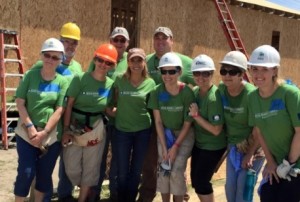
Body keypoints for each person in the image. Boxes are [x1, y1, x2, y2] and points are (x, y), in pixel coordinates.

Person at [139, 26, 194, 202]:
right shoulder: (145, 61)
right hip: (156, 121)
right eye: (157, 38)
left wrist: (198, 108)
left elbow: (201, 81)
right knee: (159, 165)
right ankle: (150, 195)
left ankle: (180, 194)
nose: (168, 74)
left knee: (177, 167)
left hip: (181, 124)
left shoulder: (185, 62)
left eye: (165, 38)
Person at [30, 22, 82, 202]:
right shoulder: (41, 64)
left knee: (67, 165)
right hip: (46, 126)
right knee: (42, 168)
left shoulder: (77, 69)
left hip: (66, 126)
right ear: (60, 41)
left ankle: (65, 195)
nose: (70, 46)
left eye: (74, 42)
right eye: (66, 41)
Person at [61, 43, 118, 202]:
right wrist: (66, 130)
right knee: (71, 167)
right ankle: (83, 188)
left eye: (108, 63)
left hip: (96, 129)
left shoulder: (110, 85)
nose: (103, 65)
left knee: (91, 169)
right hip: (74, 127)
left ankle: (83, 198)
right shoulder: (80, 79)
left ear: (112, 66)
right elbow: (69, 105)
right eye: (100, 60)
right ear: (95, 59)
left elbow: (108, 109)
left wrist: (127, 112)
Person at [14, 38, 68, 202]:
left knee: (44, 175)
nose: (50, 60)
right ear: (42, 55)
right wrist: (31, 128)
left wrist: (43, 133)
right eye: (47, 55)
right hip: (26, 133)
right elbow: (20, 102)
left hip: (50, 137)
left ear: (61, 60)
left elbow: (59, 110)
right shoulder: (30, 75)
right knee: (26, 172)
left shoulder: (62, 82)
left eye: (55, 57)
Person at [247, 45, 300, 202]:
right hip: (278, 163)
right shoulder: (252, 98)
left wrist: (289, 163)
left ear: (275, 71)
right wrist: (270, 163)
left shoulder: (290, 94)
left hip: (295, 163)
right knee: (268, 195)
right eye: (254, 69)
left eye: (265, 69)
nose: (258, 74)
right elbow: (259, 131)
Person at [88, 26, 130, 202]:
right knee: (98, 159)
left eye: (122, 40)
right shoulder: (101, 56)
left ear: (127, 43)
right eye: (116, 39)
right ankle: (94, 194)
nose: (119, 43)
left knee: (118, 161)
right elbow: (90, 80)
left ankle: (114, 194)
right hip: (102, 119)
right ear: (110, 40)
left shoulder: (132, 60)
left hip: (121, 119)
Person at [218, 51, 265, 202]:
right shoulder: (221, 89)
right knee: (230, 189)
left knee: (243, 192)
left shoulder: (251, 95)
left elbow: (259, 128)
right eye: (224, 70)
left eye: (233, 72)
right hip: (233, 146)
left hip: (253, 147)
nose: (227, 75)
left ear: (242, 74)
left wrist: (250, 153)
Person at [112, 48, 155, 202]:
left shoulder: (150, 83)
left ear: (144, 63)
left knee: (136, 170)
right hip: (122, 131)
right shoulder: (119, 80)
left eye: (139, 60)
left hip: (143, 132)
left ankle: (130, 199)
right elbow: (110, 102)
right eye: (133, 60)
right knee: (122, 171)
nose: (136, 64)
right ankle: (121, 198)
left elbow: (153, 109)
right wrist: (113, 112)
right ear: (128, 62)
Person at [188, 54, 227, 202]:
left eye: (206, 73)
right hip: (200, 144)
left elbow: (217, 130)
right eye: (197, 73)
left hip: (213, 146)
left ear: (212, 74)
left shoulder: (213, 98)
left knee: (202, 182)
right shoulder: (196, 92)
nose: (201, 77)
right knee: (196, 181)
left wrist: (197, 116)